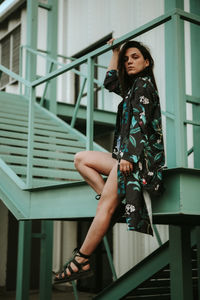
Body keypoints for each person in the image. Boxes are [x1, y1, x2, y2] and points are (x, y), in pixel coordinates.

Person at [54, 39, 165, 284]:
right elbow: (109, 81)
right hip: (126, 155)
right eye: (126, 60)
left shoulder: (145, 85)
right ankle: (112, 201)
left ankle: (81, 259)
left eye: (135, 57)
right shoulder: (133, 87)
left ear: (147, 62)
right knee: (81, 159)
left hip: (138, 158)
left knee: (104, 206)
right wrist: (114, 53)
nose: (129, 62)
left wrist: (129, 156)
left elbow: (141, 123)